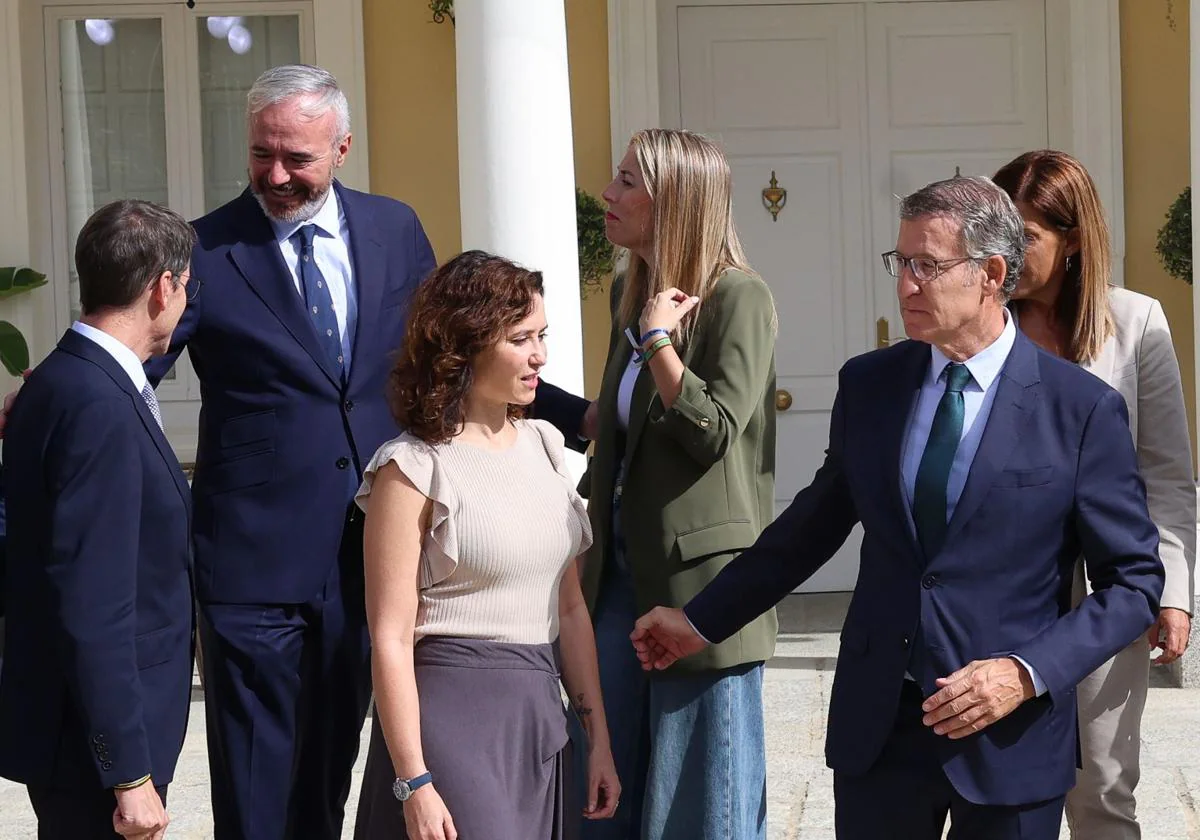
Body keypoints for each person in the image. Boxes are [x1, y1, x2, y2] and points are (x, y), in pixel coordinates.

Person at [630, 175, 1166, 840]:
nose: (906, 283)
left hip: (1008, 737)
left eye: (927, 266)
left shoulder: (1080, 410)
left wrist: (1025, 674)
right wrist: (699, 620)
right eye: (901, 262)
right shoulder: (870, 384)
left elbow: (1134, 585)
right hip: (880, 726)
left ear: (991, 273)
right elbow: (809, 529)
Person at [138, 64, 437, 840]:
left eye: (296, 159)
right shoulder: (203, 248)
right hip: (250, 567)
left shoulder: (394, 229)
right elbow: (135, 357)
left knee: (327, 776)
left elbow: (451, 353)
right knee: (256, 787)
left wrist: (585, 417)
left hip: (368, 555)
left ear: (342, 146)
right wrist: (51, 394)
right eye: (261, 154)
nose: (276, 174)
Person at [351, 250, 619, 840]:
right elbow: (390, 637)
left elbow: (570, 609)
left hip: (539, 722)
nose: (540, 355)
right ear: (467, 344)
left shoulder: (548, 446)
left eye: (541, 335)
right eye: (521, 338)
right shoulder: (412, 468)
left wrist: (597, 739)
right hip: (450, 726)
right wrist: (413, 782)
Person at [581, 128, 778, 840]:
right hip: (615, 574)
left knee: (703, 805)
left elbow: (714, 434)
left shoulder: (738, 298)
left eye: (629, 181)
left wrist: (662, 343)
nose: (609, 193)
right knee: (602, 791)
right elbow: (617, 434)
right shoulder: (625, 294)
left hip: (703, 585)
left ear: (677, 199)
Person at [993, 149, 1196, 840]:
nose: (1007, 255)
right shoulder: (981, 326)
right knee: (1007, 799)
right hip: (1001, 590)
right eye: (997, 233)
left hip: (1106, 595)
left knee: (1103, 792)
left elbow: (1165, 471)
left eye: (1027, 237)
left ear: (1074, 237)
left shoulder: (1136, 322)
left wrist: (1171, 589)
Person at [0, 199, 196, 839]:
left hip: (77, 734)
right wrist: (130, 775)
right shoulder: (97, 404)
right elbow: (94, 601)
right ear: (162, 288)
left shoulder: (59, 381)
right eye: (185, 286)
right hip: (92, 752)